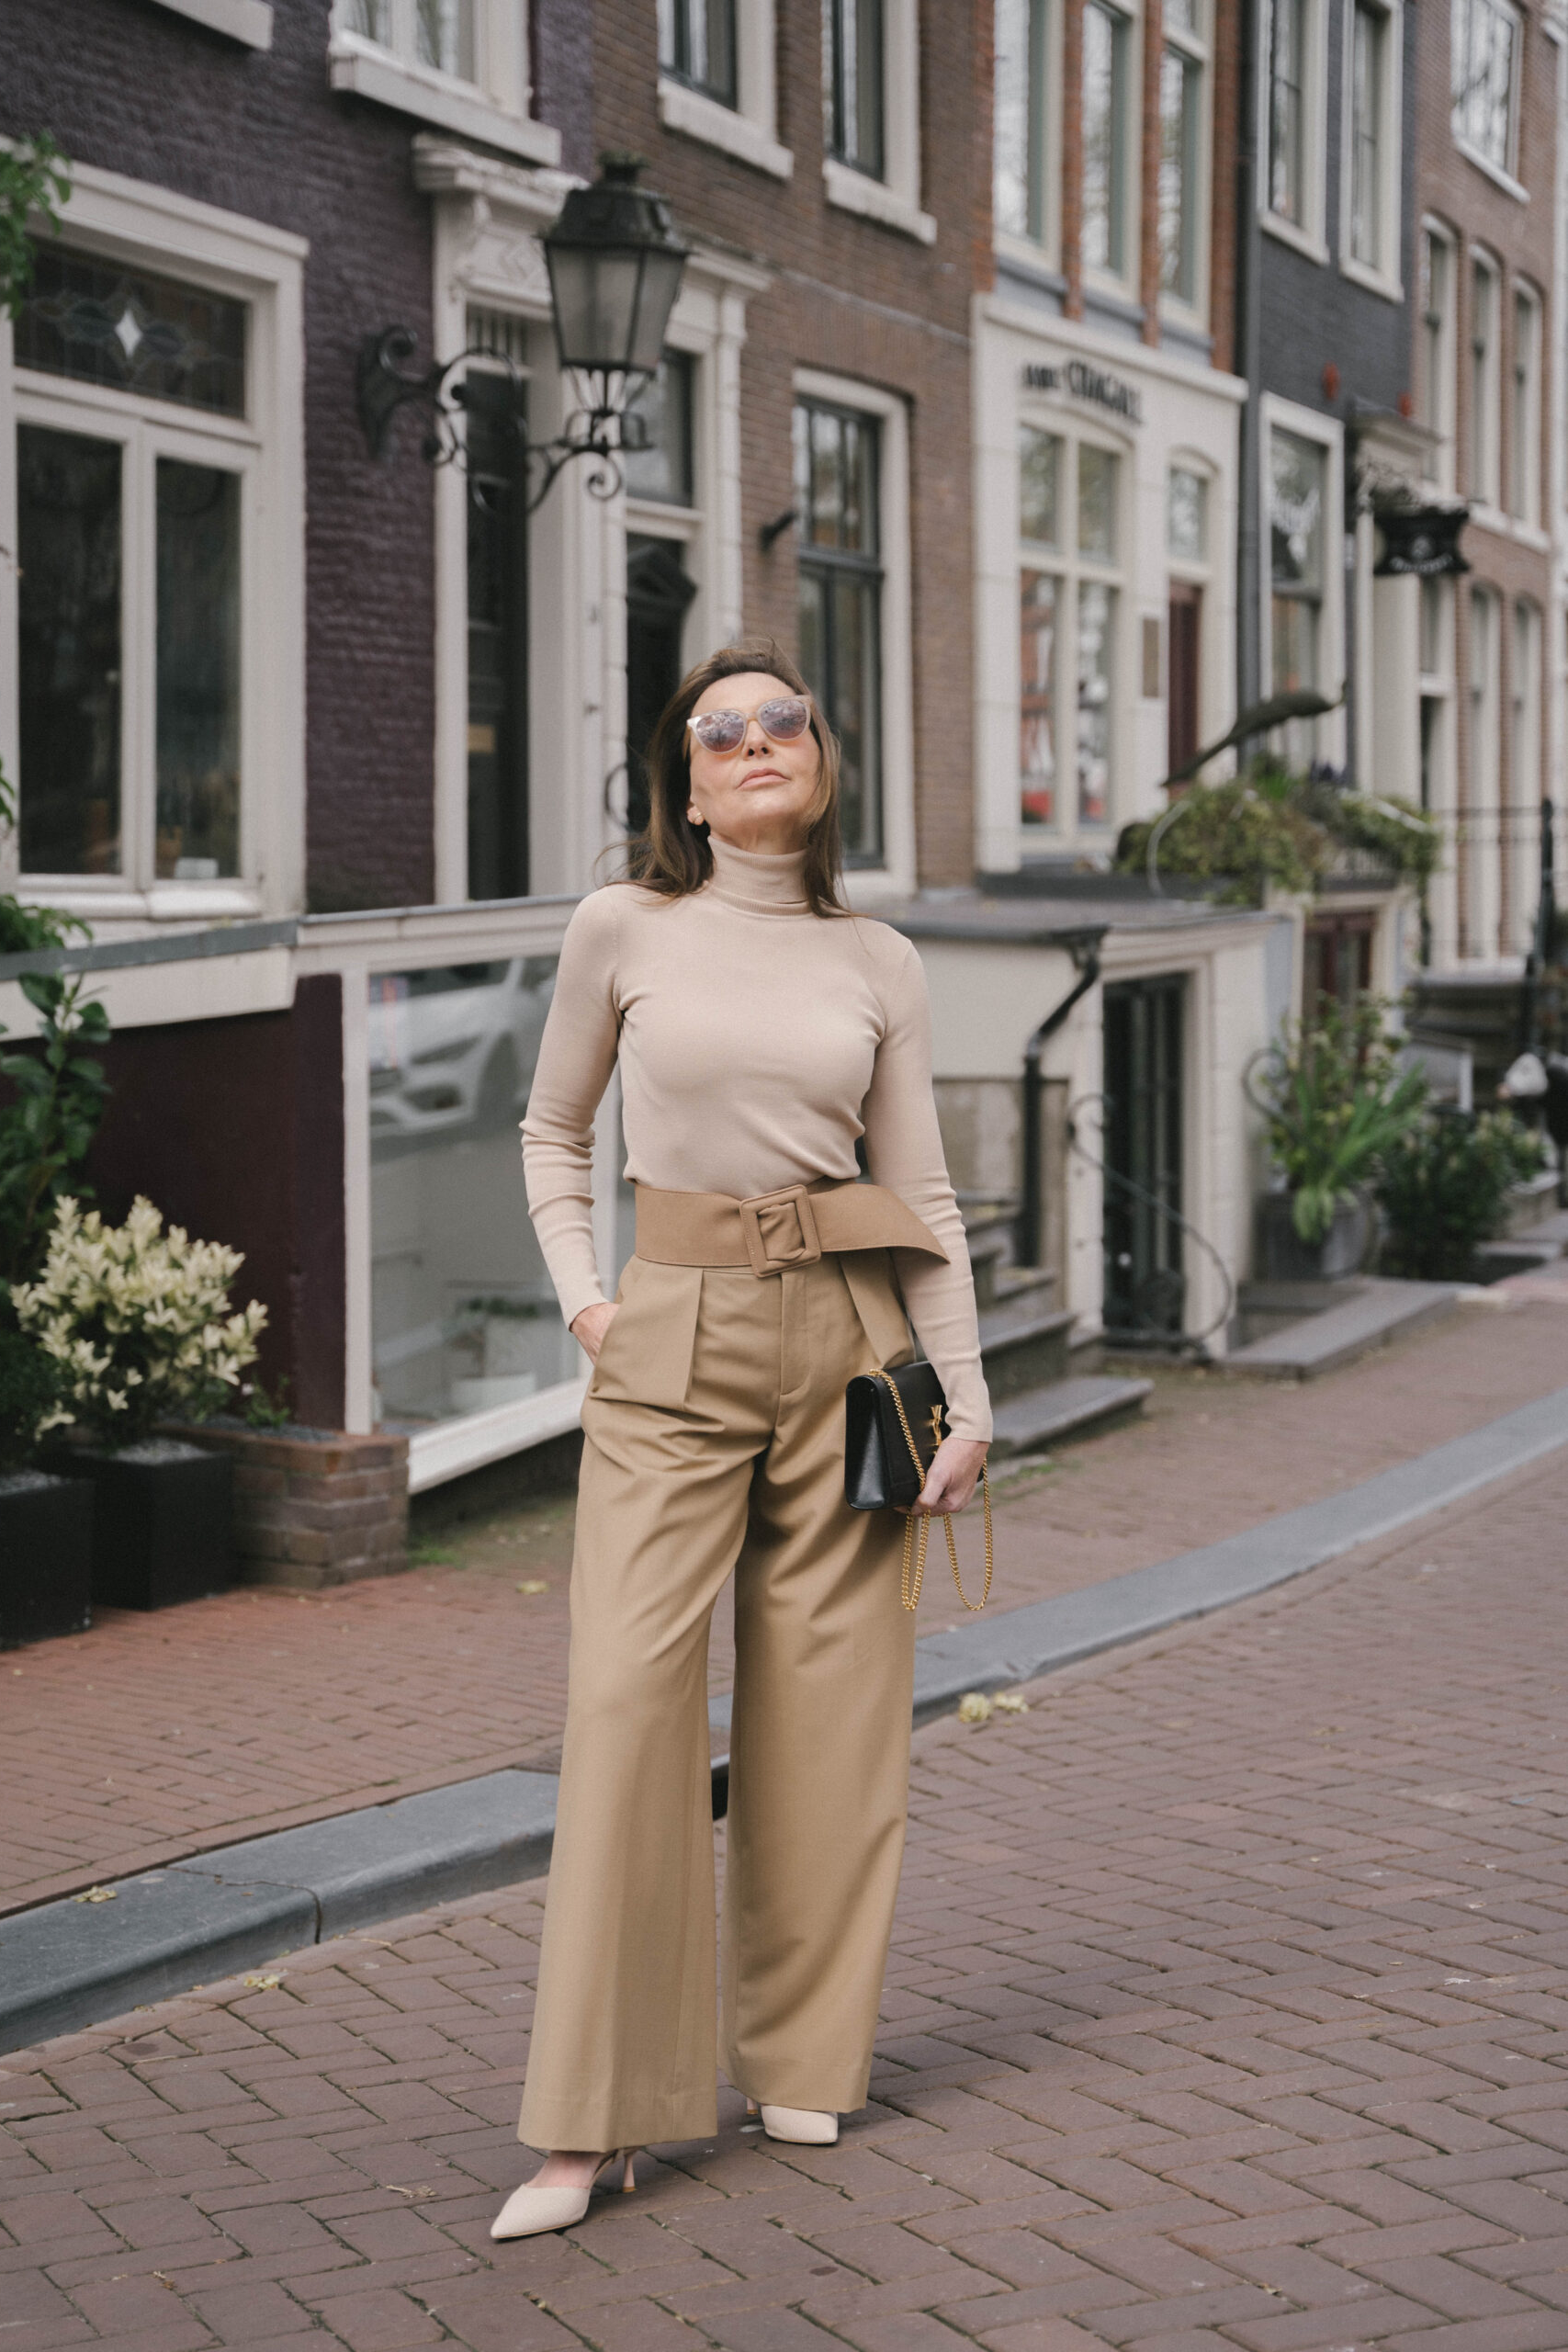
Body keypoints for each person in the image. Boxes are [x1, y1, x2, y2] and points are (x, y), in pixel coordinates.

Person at [491, 643, 991, 2242]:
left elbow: (921, 1200)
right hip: (672, 1335)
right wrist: (587, 1305)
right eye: (725, 729)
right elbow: (552, 1127)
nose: (759, 741)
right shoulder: (622, 926)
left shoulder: (881, 960)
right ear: (684, 782)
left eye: (787, 721)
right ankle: (593, 2122)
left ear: (820, 764)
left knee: (831, 1711)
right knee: (629, 1700)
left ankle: (801, 2054)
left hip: (850, 1338)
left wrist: (965, 1393)